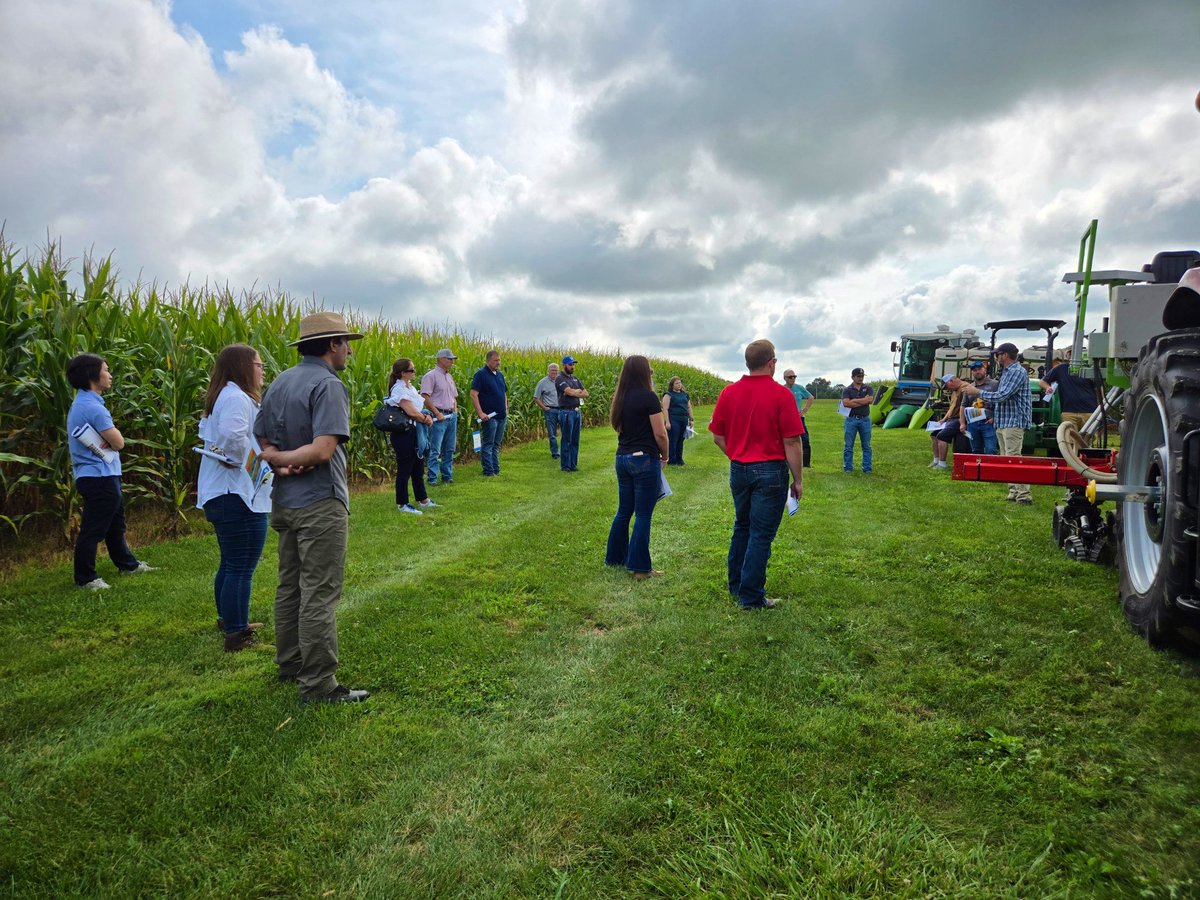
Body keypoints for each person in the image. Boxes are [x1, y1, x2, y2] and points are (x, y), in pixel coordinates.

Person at [254, 311, 369, 704]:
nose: (350, 350)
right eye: (345, 343)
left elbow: (262, 439)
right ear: (332, 344)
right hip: (321, 501)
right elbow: (323, 450)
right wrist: (290, 457)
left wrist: (279, 459)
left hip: (285, 501)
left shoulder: (280, 381)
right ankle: (319, 684)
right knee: (319, 592)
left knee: (289, 587)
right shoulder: (328, 384)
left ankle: (290, 663)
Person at [708, 339, 805, 610]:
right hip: (770, 470)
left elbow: (717, 435)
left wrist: (737, 454)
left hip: (739, 468)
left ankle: (737, 585)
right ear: (772, 363)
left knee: (742, 526)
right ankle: (751, 596)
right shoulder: (782, 395)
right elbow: (792, 441)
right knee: (761, 534)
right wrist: (797, 480)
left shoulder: (729, 393)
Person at [197, 344, 272, 651]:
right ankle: (238, 634)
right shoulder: (236, 398)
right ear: (243, 368)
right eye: (257, 365)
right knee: (241, 566)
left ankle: (229, 620)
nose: (262, 370)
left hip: (223, 493)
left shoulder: (224, 396)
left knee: (230, 563)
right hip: (235, 494)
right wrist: (238, 455)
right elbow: (232, 437)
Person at [66, 353, 156, 590]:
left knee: (115, 525)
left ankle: (127, 564)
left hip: (103, 474)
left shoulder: (86, 402)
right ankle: (85, 578)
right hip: (98, 476)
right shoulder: (93, 408)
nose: (110, 375)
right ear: (92, 375)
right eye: (106, 370)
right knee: (94, 529)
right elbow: (118, 442)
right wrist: (115, 440)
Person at [605, 356, 670, 578]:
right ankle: (641, 568)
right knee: (643, 513)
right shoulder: (649, 397)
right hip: (644, 459)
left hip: (622, 458)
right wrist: (665, 455)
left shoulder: (621, 397)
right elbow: (660, 433)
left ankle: (614, 558)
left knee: (624, 510)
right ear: (644, 372)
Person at [950, 341, 1033, 504]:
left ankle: (1024, 495)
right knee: (1006, 457)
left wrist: (977, 392)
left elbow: (1003, 395)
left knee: (1014, 457)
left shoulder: (1016, 371)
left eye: (998, 354)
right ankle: (1013, 492)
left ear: (1005, 355)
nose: (996, 357)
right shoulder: (1007, 372)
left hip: (1014, 420)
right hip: (1004, 421)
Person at [385, 357, 436, 514]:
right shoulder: (398, 390)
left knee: (418, 467)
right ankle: (402, 504)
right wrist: (426, 419)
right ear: (402, 373)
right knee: (405, 469)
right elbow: (411, 411)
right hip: (404, 433)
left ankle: (423, 499)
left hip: (414, 431)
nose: (414, 372)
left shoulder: (410, 387)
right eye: (411, 370)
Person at [420, 348, 459, 486]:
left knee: (449, 448)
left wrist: (455, 411)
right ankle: (432, 478)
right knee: (435, 449)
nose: (452, 362)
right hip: (438, 417)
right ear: (441, 359)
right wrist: (437, 413)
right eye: (449, 359)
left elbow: (454, 396)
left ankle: (447, 476)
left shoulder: (449, 377)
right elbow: (425, 396)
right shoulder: (430, 376)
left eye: (452, 359)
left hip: (450, 416)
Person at [1039, 355, 1098, 444]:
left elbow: (1099, 389)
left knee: (1088, 439)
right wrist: (1047, 388)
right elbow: (1042, 381)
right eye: (1071, 353)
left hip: (1089, 411)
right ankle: (1072, 457)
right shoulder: (1061, 369)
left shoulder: (1090, 370)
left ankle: (1083, 457)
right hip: (1068, 412)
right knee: (1070, 440)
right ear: (1068, 356)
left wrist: (1101, 408)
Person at [470, 350, 509, 476]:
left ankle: (496, 469)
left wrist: (506, 409)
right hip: (489, 417)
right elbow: (474, 394)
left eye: (499, 360)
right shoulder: (481, 375)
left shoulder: (500, 375)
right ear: (488, 361)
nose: (498, 362)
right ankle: (488, 471)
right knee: (488, 444)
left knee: (496, 445)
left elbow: (504, 394)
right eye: (495, 360)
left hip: (501, 416)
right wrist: (480, 413)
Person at [555, 355, 589, 472]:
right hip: (566, 412)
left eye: (573, 364)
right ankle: (565, 466)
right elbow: (568, 391)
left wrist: (575, 392)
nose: (572, 366)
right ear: (564, 365)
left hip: (576, 412)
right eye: (570, 364)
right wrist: (575, 392)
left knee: (575, 440)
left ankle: (573, 464)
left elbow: (586, 393)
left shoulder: (575, 379)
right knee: (567, 440)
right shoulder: (560, 378)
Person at [928, 374, 968, 470]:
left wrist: (962, 421)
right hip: (950, 419)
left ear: (951, 381)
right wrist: (944, 419)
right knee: (933, 434)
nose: (947, 389)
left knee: (942, 436)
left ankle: (942, 464)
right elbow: (951, 408)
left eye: (947, 386)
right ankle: (936, 460)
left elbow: (965, 407)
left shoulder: (965, 388)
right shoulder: (954, 391)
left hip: (958, 419)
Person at [962, 361, 999, 454]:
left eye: (980, 369)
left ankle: (990, 468)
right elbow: (963, 405)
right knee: (976, 450)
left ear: (985, 370)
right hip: (973, 423)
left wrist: (995, 418)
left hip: (988, 422)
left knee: (991, 450)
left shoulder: (995, 384)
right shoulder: (969, 387)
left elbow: (1001, 402)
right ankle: (978, 468)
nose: (977, 372)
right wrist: (962, 423)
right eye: (975, 370)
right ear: (972, 373)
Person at [842, 367, 873, 473]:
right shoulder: (847, 389)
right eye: (858, 376)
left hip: (865, 419)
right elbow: (846, 403)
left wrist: (854, 401)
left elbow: (870, 400)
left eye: (862, 376)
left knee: (867, 445)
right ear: (853, 377)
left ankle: (867, 468)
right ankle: (848, 468)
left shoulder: (868, 388)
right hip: (851, 420)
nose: (861, 378)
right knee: (849, 446)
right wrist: (863, 400)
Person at [782, 369, 813, 467]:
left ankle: (806, 464)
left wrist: (805, 409)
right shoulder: (781, 389)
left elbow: (810, 397)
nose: (792, 379)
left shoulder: (799, 388)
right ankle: (785, 462)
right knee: (785, 440)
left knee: (805, 440)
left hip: (799, 418)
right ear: (785, 378)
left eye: (794, 376)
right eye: (790, 377)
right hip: (786, 419)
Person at [661, 376, 694, 465]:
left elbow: (689, 407)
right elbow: (665, 409)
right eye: (677, 383)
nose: (679, 385)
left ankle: (679, 459)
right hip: (673, 420)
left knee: (681, 440)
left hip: (683, 419)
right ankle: (672, 460)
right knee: (673, 440)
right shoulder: (668, 395)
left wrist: (691, 419)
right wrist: (667, 421)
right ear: (672, 385)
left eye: (680, 383)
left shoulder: (685, 395)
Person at [533, 362, 561, 459]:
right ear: (548, 371)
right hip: (550, 410)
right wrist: (544, 408)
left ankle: (565, 452)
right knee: (552, 434)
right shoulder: (542, 382)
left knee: (565, 432)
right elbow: (536, 397)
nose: (554, 372)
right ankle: (555, 453)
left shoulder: (561, 381)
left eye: (556, 370)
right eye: (552, 370)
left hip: (562, 410)